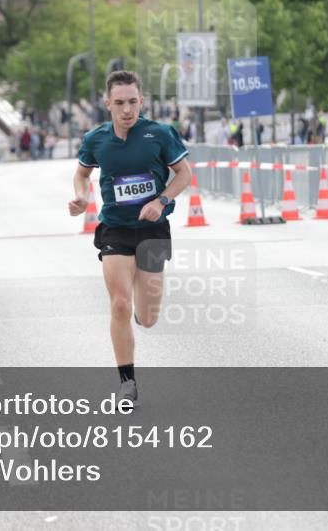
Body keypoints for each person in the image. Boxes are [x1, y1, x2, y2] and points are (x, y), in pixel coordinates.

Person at [68, 70, 192, 407]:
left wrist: (161, 200)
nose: (127, 109)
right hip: (115, 228)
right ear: (107, 103)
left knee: (148, 317)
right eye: (119, 102)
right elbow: (82, 174)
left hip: (152, 230)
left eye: (133, 102)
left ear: (142, 101)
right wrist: (81, 197)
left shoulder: (160, 134)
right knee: (119, 303)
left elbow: (184, 174)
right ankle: (126, 383)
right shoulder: (96, 139)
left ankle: (143, 313)